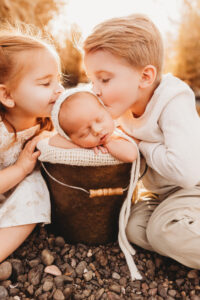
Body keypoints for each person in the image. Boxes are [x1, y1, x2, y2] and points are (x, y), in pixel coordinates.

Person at [83, 13, 200, 277]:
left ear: (145, 77)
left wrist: (140, 144)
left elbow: (188, 173)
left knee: (163, 231)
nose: (95, 90)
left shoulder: (173, 100)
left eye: (104, 79)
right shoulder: (122, 105)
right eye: (92, 80)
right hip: (164, 195)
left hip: (193, 187)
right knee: (132, 228)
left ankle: (178, 232)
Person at [0, 25, 64, 262]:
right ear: (7, 96)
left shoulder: (48, 123)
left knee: (34, 189)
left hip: (11, 200)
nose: (58, 89)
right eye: (45, 83)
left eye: (58, 80)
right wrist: (20, 169)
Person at [49, 87, 138, 163]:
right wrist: (82, 147)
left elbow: (131, 155)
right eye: (85, 133)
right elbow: (53, 141)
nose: (97, 130)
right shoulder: (74, 141)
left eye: (99, 120)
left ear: (106, 110)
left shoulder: (120, 130)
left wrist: (108, 142)